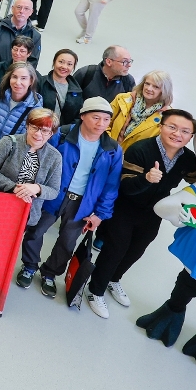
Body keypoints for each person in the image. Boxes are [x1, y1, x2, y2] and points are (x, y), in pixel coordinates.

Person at [85, 109, 196, 319]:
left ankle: (114, 279)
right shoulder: (140, 149)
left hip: (153, 212)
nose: (177, 134)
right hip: (125, 208)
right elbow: (125, 186)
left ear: (191, 137)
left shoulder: (188, 159)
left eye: (185, 131)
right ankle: (95, 290)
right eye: (172, 127)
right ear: (161, 127)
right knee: (115, 250)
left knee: (136, 250)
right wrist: (146, 179)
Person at [15, 97, 122, 298]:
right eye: (96, 117)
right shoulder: (62, 134)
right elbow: (39, 157)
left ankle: (50, 273)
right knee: (35, 231)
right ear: (83, 116)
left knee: (67, 241)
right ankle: (29, 266)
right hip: (51, 195)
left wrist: (100, 214)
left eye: (106, 119)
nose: (101, 124)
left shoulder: (113, 150)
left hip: (83, 203)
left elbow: (111, 186)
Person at [0, 108, 63, 233]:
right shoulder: (9, 142)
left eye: (44, 130)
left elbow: (54, 191)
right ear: (27, 126)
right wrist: (12, 187)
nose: (38, 134)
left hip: (23, 214)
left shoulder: (55, 157)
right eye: (34, 127)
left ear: (51, 133)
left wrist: (38, 188)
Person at [0, 62, 43, 152]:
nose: (18, 82)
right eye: (14, 77)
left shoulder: (35, 109)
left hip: (5, 157)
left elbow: (25, 142)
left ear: (31, 81)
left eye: (23, 78)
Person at [108, 69, 173, 150]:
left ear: (164, 91)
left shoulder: (167, 117)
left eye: (156, 87)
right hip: (108, 150)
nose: (149, 88)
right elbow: (104, 122)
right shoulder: (122, 98)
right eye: (147, 83)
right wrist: (108, 144)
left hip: (134, 157)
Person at [0, 0, 41, 74]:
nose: (21, 11)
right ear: (12, 8)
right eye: (19, 7)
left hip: (17, 78)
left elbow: (32, 61)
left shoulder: (35, 36)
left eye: (26, 9)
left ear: (31, 12)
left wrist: (14, 75)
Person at [38, 48, 83, 127]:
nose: (64, 66)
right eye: (61, 62)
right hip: (40, 128)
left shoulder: (76, 89)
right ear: (54, 62)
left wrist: (65, 130)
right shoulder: (41, 82)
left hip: (62, 132)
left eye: (69, 64)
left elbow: (78, 116)